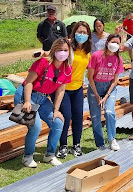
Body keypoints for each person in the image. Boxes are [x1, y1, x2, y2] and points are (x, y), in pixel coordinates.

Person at [15, 38, 72, 168]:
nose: (62, 53)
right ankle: (27, 156)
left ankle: (49, 155)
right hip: (26, 94)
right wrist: (27, 101)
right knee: (35, 127)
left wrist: (56, 110)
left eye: (65, 50)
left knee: (58, 122)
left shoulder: (67, 69)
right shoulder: (43, 63)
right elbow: (28, 82)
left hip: (43, 98)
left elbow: (61, 90)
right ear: (53, 50)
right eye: (59, 50)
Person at [56, 21, 91, 159]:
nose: (81, 35)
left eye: (84, 32)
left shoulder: (87, 50)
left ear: (88, 35)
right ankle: (63, 145)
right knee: (66, 116)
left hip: (77, 88)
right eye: (79, 32)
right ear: (74, 32)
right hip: (63, 88)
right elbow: (54, 55)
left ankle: (76, 145)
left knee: (78, 117)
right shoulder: (67, 47)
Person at [87, 34, 123, 150]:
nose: (115, 45)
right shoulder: (96, 56)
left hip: (109, 88)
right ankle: (100, 144)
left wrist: (106, 96)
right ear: (107, 42)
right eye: (113, 42)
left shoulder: (118, 59)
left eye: (118, 43)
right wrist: (97, 95)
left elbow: (115, 80)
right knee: (95, 116)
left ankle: (112, 139)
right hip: (95, 86)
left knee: (109, 112)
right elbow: (90, 77)